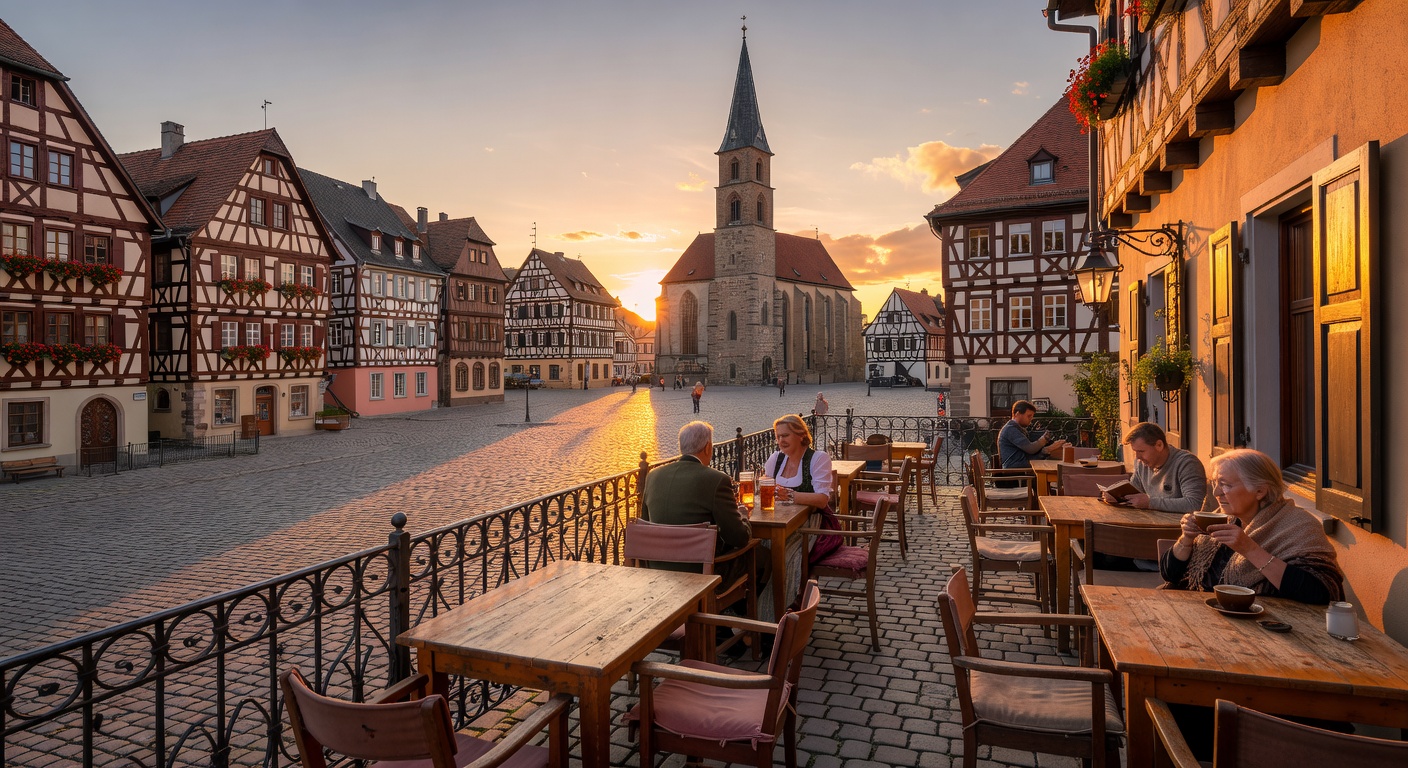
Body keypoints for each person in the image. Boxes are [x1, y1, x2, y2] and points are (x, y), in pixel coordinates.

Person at [1161, 448, 1344, 604]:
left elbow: (1321, 593)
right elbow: (1171, 575)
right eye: (1215, 483)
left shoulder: (1299, 526)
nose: (1216, 492)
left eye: (1225, 485)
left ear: (1260, 491)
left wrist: (1249, 550)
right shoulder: (1225, 519)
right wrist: (1186, 539)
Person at [641, 421, 756, 587]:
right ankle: (738, 609)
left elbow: (645, 524)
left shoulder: (653, 476)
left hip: (657, 572)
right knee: (763, 558)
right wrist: (744, 516)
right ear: (708, 447)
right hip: (701, 576)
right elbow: (739, 537)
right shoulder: (716, 480)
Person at [1104, 422, 1209, 512]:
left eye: (1141, 451)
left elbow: (1195, 504)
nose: (1137, 457)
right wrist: (1116, 496)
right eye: (1135, 451)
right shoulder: (1143, 463)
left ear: (1159, 445)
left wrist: (1150, 503)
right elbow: (1134, 491)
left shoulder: (1187, 464)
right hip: (1151, 524)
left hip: (1178, 530)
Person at [997, 400, 1068, 471]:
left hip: (1021, 465)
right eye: (1029, 416)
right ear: (1017, 414)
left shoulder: (1018, 429)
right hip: (1015, 468)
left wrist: (1053, 446)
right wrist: (1044, 442)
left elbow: (1032, 447)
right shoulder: (1010, 429)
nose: (1031, 419)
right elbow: (1031, 449)